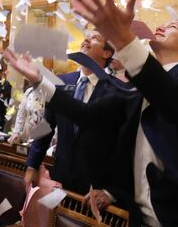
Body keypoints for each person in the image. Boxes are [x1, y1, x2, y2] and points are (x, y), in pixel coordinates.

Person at [5, 0, 178, 227]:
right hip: (137, 217)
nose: (161, 26)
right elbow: (88, 116)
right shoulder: (137, 89)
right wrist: (40, 81)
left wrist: (125, 42)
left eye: (172, 26)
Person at [25, 30, 121, 197]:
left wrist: (110, 191)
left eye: (95, 38)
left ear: (107, 53)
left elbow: (120, 144)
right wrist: (32, 165)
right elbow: (45, 126)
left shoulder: (116, 89)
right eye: (86, 36)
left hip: (94, 185)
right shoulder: (62, 81)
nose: (86, 40)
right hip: (60, 176)